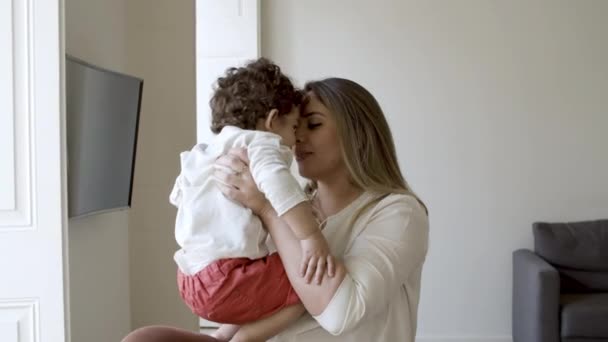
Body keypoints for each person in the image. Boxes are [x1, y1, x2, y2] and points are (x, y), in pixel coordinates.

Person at [122, 77, 429, 342]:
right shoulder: (297, 206)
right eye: (295, 126)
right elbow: (259, 289)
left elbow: (341, 314)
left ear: (356, 133)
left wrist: (267, 209)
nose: (297, 138)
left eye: (313, 124)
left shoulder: (398, 212)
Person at [168, 58, 335, 342]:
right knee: (306, 282)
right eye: (294, 127)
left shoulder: (203, 152)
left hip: (190, 278)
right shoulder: (260, 143)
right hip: (227, 279)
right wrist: (310, 238)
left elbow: (177, 196)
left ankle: (222, 335)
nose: (295, 141)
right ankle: (244, 339)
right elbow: (278, 185)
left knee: (270, 266)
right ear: (271, 121)